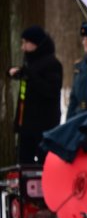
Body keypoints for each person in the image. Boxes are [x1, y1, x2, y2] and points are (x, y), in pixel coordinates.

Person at [8, 26, 63, 165]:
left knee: (45, 165)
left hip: (44, 128)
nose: (22, 47)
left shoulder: (52, 63)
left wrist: (29, 75)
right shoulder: (30, 61)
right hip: (26, 127)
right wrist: (16, 73)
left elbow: (51, 90)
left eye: (25, 43)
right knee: (24, 166)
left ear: (36, 43)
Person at [66, 21, 87, 120]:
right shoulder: (79, 66)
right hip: (78, 117)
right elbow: (73, 100)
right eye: (83, 39)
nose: (84, 42)